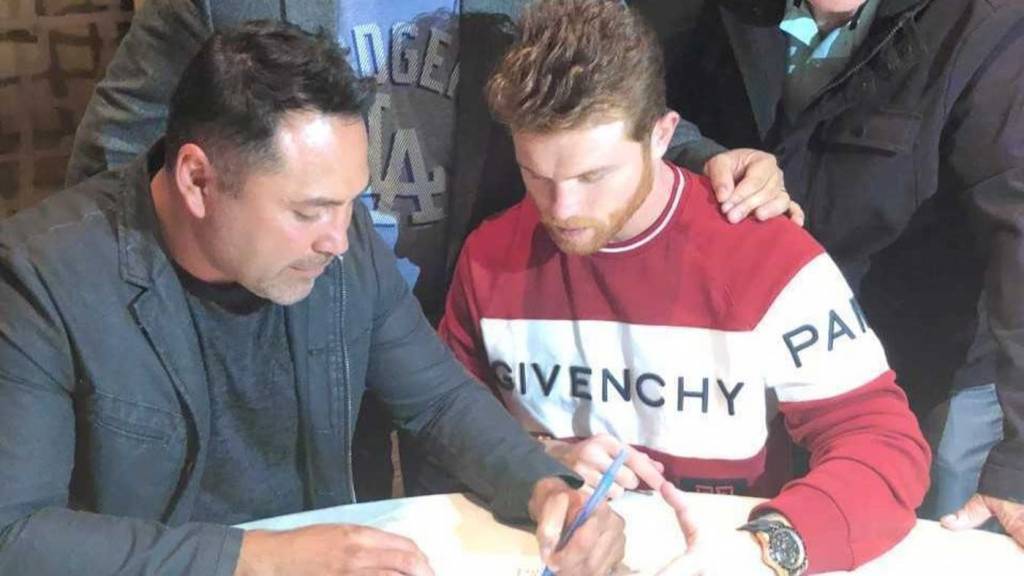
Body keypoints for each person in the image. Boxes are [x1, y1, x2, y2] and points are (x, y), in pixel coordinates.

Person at [65, 0, 800, 499]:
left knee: (449, 499)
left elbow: (606, 90)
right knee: (327, 498)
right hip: (293, 308)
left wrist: (704, 159)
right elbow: (119, 143)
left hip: (458, 303)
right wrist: (150, 310)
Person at [0, 21, 625, 576]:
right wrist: (262, 559)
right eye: (308, 211)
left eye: (351, 201)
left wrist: (545, 487)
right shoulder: (41, 278)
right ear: (197, 179)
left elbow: (438, 401)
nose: (339, 238)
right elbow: (15, 535)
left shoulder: (344, 243)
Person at [438, 1, 931, 573]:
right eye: (536, 175)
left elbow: (884, 445)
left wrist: (765, 549)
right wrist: (538, 463)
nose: (563, 209)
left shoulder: (766, 255)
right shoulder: (491, 255)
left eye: (593, 176)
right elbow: (443, 428)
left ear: (662, 135)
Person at [666, 0, 1024, 543]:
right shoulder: (706, 12)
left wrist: (1018, 466)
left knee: (913, 543)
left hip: (924, 375)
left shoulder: (988, 25)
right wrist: (700, 154)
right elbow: (635, 106)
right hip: (749, 360)